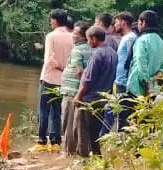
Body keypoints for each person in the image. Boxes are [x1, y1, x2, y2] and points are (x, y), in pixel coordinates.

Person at [32, 9, 73, 152]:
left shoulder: (51, 36)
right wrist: (64, 69)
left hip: (49, 77)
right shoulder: (72, 37)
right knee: (56, 111)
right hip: (63, 80)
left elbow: (48, 59)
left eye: (51, 20)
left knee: (43, 110)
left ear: (55, 20)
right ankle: (55, 142)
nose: (50, 22)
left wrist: (59, 66)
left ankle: (42, 141)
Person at [73, 25, 117, 156]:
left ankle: (84, 159)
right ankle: (96, 158)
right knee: (95, 132)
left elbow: (87, 80)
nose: (87, 42)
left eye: (87, 39)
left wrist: (78, 96)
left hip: (90, 99)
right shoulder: (113, 53)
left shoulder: (97, 54)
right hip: (103, 98)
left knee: (83, 131)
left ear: (93, 39)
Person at [59, 21, 92, 156]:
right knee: (79, 124)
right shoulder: (90, 49)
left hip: (72, 91)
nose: (73, 36)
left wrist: (79, 90)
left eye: (76, 34)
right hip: (82, 92)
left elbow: (79, 71)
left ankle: (68, 152)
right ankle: (78, 151)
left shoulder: (78, 49)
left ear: (84, 37)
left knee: (68, 122)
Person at [103, 12, 137, 132]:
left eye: (117, 22)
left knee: (123, 114)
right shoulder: (126, 38)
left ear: (123, 22)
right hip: (119, 81)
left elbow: (132, 60)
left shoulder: (130, 38)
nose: (115, 25)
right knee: (116, 112)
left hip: (124, 83)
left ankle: (121, 142)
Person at [126, 10, 163, 98]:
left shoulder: (141, 40)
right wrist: (153, 84)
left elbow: (140, 65)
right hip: (155, 90)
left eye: (139, 22)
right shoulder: (162, 42)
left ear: (143, 22)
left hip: (138, 89)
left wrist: (147, 86)